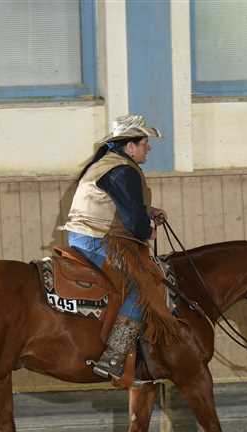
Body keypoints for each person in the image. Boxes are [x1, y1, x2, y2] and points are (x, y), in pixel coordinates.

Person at [61, 115, 172, 380]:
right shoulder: (122, 170)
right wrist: (147, 230)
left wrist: (148, 211)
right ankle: (114, 356)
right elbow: (134, 223)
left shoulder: (107, 164)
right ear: (130, 146)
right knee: (141, 287)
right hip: (96, 239)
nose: (149, 148)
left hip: (83, 236)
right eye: (144, 143)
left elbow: (120, 204)